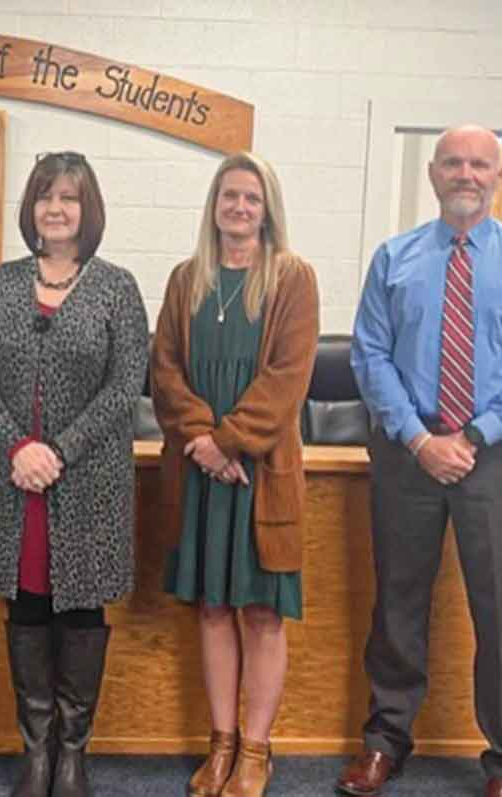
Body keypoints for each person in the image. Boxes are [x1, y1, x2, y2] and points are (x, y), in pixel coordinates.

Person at [339, 125, 502, 797]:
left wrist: (476, 434)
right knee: (398, 602)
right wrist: (417, 437)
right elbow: (368, 353)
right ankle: (385, 741)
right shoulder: (393, 258)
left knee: (499, 612)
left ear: (498, 177)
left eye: (479, 164)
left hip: (497, 457)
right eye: (453, 162)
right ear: (434, 175)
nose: (466, 173)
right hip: (409, 454)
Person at [0, 151, 148, 797]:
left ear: (86, 208)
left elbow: (126, 385)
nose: (56, 208)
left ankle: (73, 753)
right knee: (27, 600)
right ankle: (35, 750)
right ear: (31, 208)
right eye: (45, 196)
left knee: (80, 605)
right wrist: (19, 446)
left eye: (68, 197)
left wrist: (58, 450)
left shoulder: (116, 287)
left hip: (87, 480)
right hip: (11, 480)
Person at [151, 152, 319, 797]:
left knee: (261, 614)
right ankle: (219, 745)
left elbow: (287, 380)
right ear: (214, 206)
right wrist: (199, 440)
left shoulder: (292, 280)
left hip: (261, 472)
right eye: (230, 197)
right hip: (201, 473)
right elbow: (164, 368)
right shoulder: (186, 278)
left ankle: (256, 751)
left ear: (267, 208)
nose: (240, 209)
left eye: (251, 198)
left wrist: (227, 443)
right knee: (214, 609)